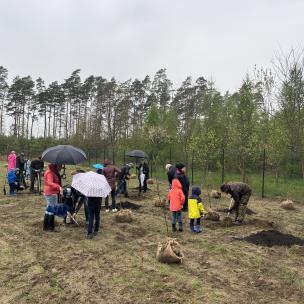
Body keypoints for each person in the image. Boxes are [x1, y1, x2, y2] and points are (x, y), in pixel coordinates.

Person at [43, 164, 62, 231]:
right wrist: (58, 186)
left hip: (50, 192)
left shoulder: (51, 172)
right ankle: (50, 227)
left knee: (49, 209)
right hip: (51, 193)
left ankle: (46, 226)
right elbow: (50, 182)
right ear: (55, 166)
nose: (60, 167)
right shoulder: (50, 173)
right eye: (59, 166)